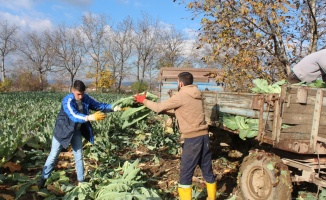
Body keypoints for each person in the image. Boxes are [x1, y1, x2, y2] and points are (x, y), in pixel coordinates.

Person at [134, 72, 216, 200]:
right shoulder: (197, 94)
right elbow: (185, 111)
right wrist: (169, 112)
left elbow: (158, 107)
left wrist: (142, 100)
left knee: (185, 174)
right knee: (207, 170)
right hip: (204, 137)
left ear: (180, 83)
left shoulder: (181, 95)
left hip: (192, 139)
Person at [38, 80, 119, 188]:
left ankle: (81, 182)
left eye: (82, 94)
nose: (80, 96)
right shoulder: (67, 100)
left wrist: (115, 107)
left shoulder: (86, 98)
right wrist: (89, 117)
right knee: (53, 156)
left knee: (79, 156)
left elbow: (100, 106)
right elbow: (73, 115)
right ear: (73, 91)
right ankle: (43, 178)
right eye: (78, 94)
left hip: (76, 131)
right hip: (62, 131)